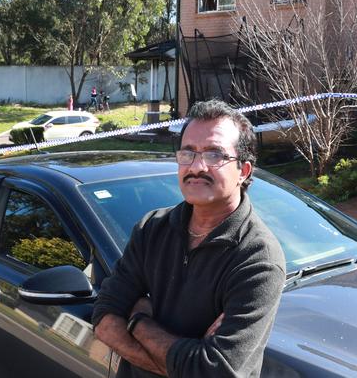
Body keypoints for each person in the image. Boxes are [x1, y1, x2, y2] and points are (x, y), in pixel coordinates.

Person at [93, 99, 285, 378]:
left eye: (214, 155)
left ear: (243, 171)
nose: (197, 167)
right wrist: (180, 364)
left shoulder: (258, 258)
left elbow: (214, 372)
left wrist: (138, 320)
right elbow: (104, 317)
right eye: (188, 153)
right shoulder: (152, 228)